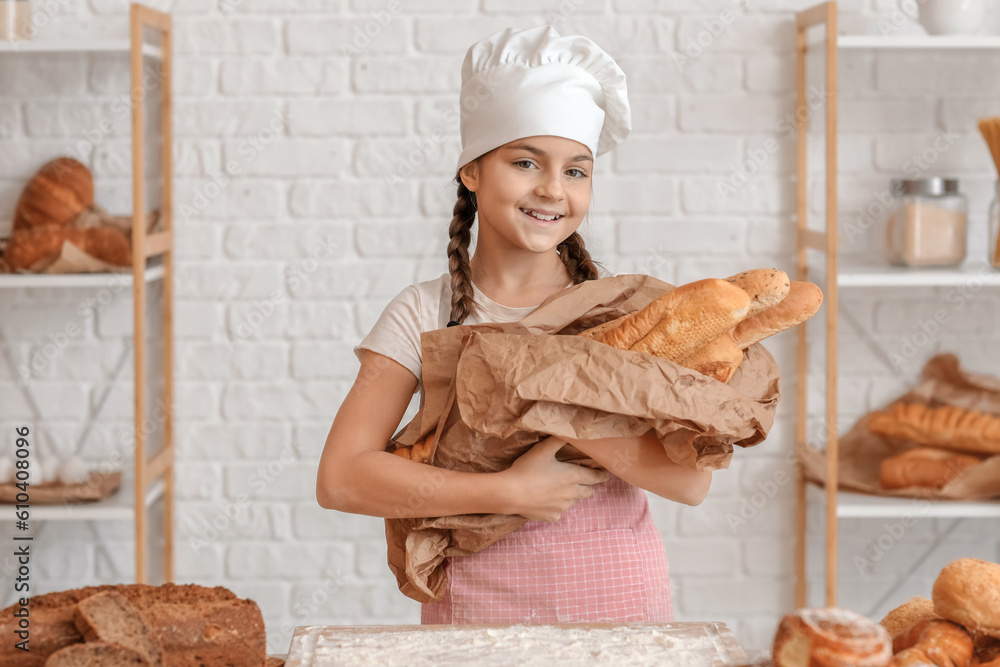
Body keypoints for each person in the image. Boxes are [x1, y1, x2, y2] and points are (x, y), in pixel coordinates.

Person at [316, 24, 712, 625]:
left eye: (576, 171)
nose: (553, 189)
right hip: (476, 617)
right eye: (526, 162)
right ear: (472, 171)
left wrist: (553, 408)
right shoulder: (425, 312)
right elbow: (342, 478)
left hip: (624, 613)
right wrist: (507, 492)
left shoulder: (622, 313)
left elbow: (690, 483)